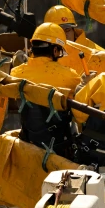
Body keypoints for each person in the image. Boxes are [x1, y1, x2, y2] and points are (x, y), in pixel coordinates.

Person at [10, 23, 81, 159]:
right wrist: (85, 83)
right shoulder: (71, 77)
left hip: (29, 141)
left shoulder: (16, 73)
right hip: (60, 148)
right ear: (55, 51)